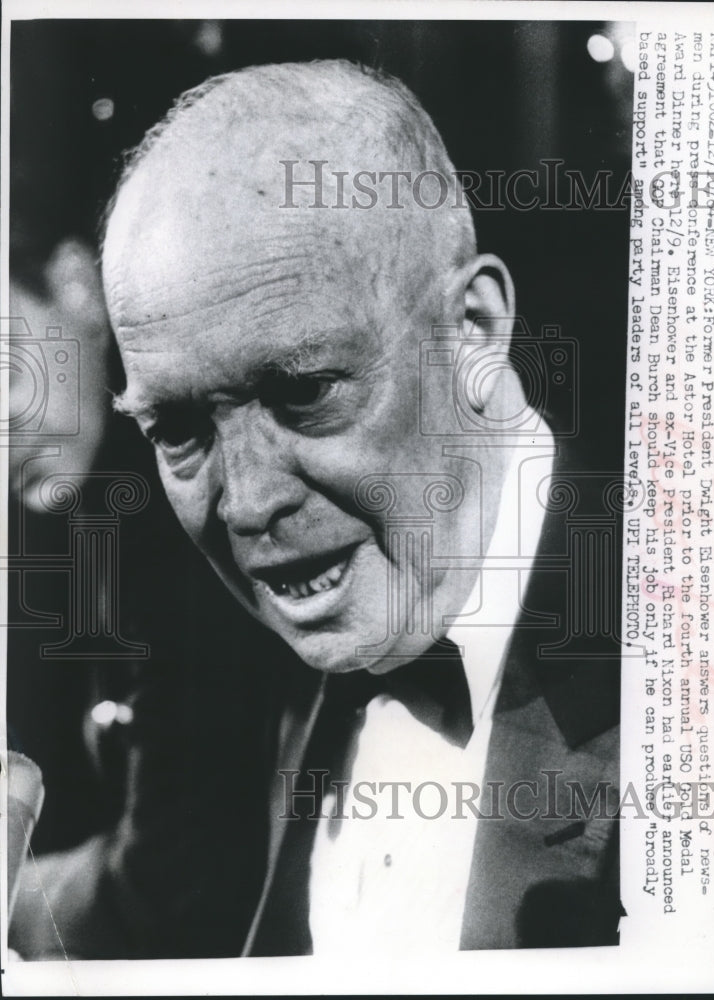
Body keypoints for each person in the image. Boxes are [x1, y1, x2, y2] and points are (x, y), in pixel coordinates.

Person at [11, 59, 621, 957]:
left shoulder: (697, 660)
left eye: (305, 392)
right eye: (178, 429)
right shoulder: (306, 623)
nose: (249, 506)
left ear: (477, 333)